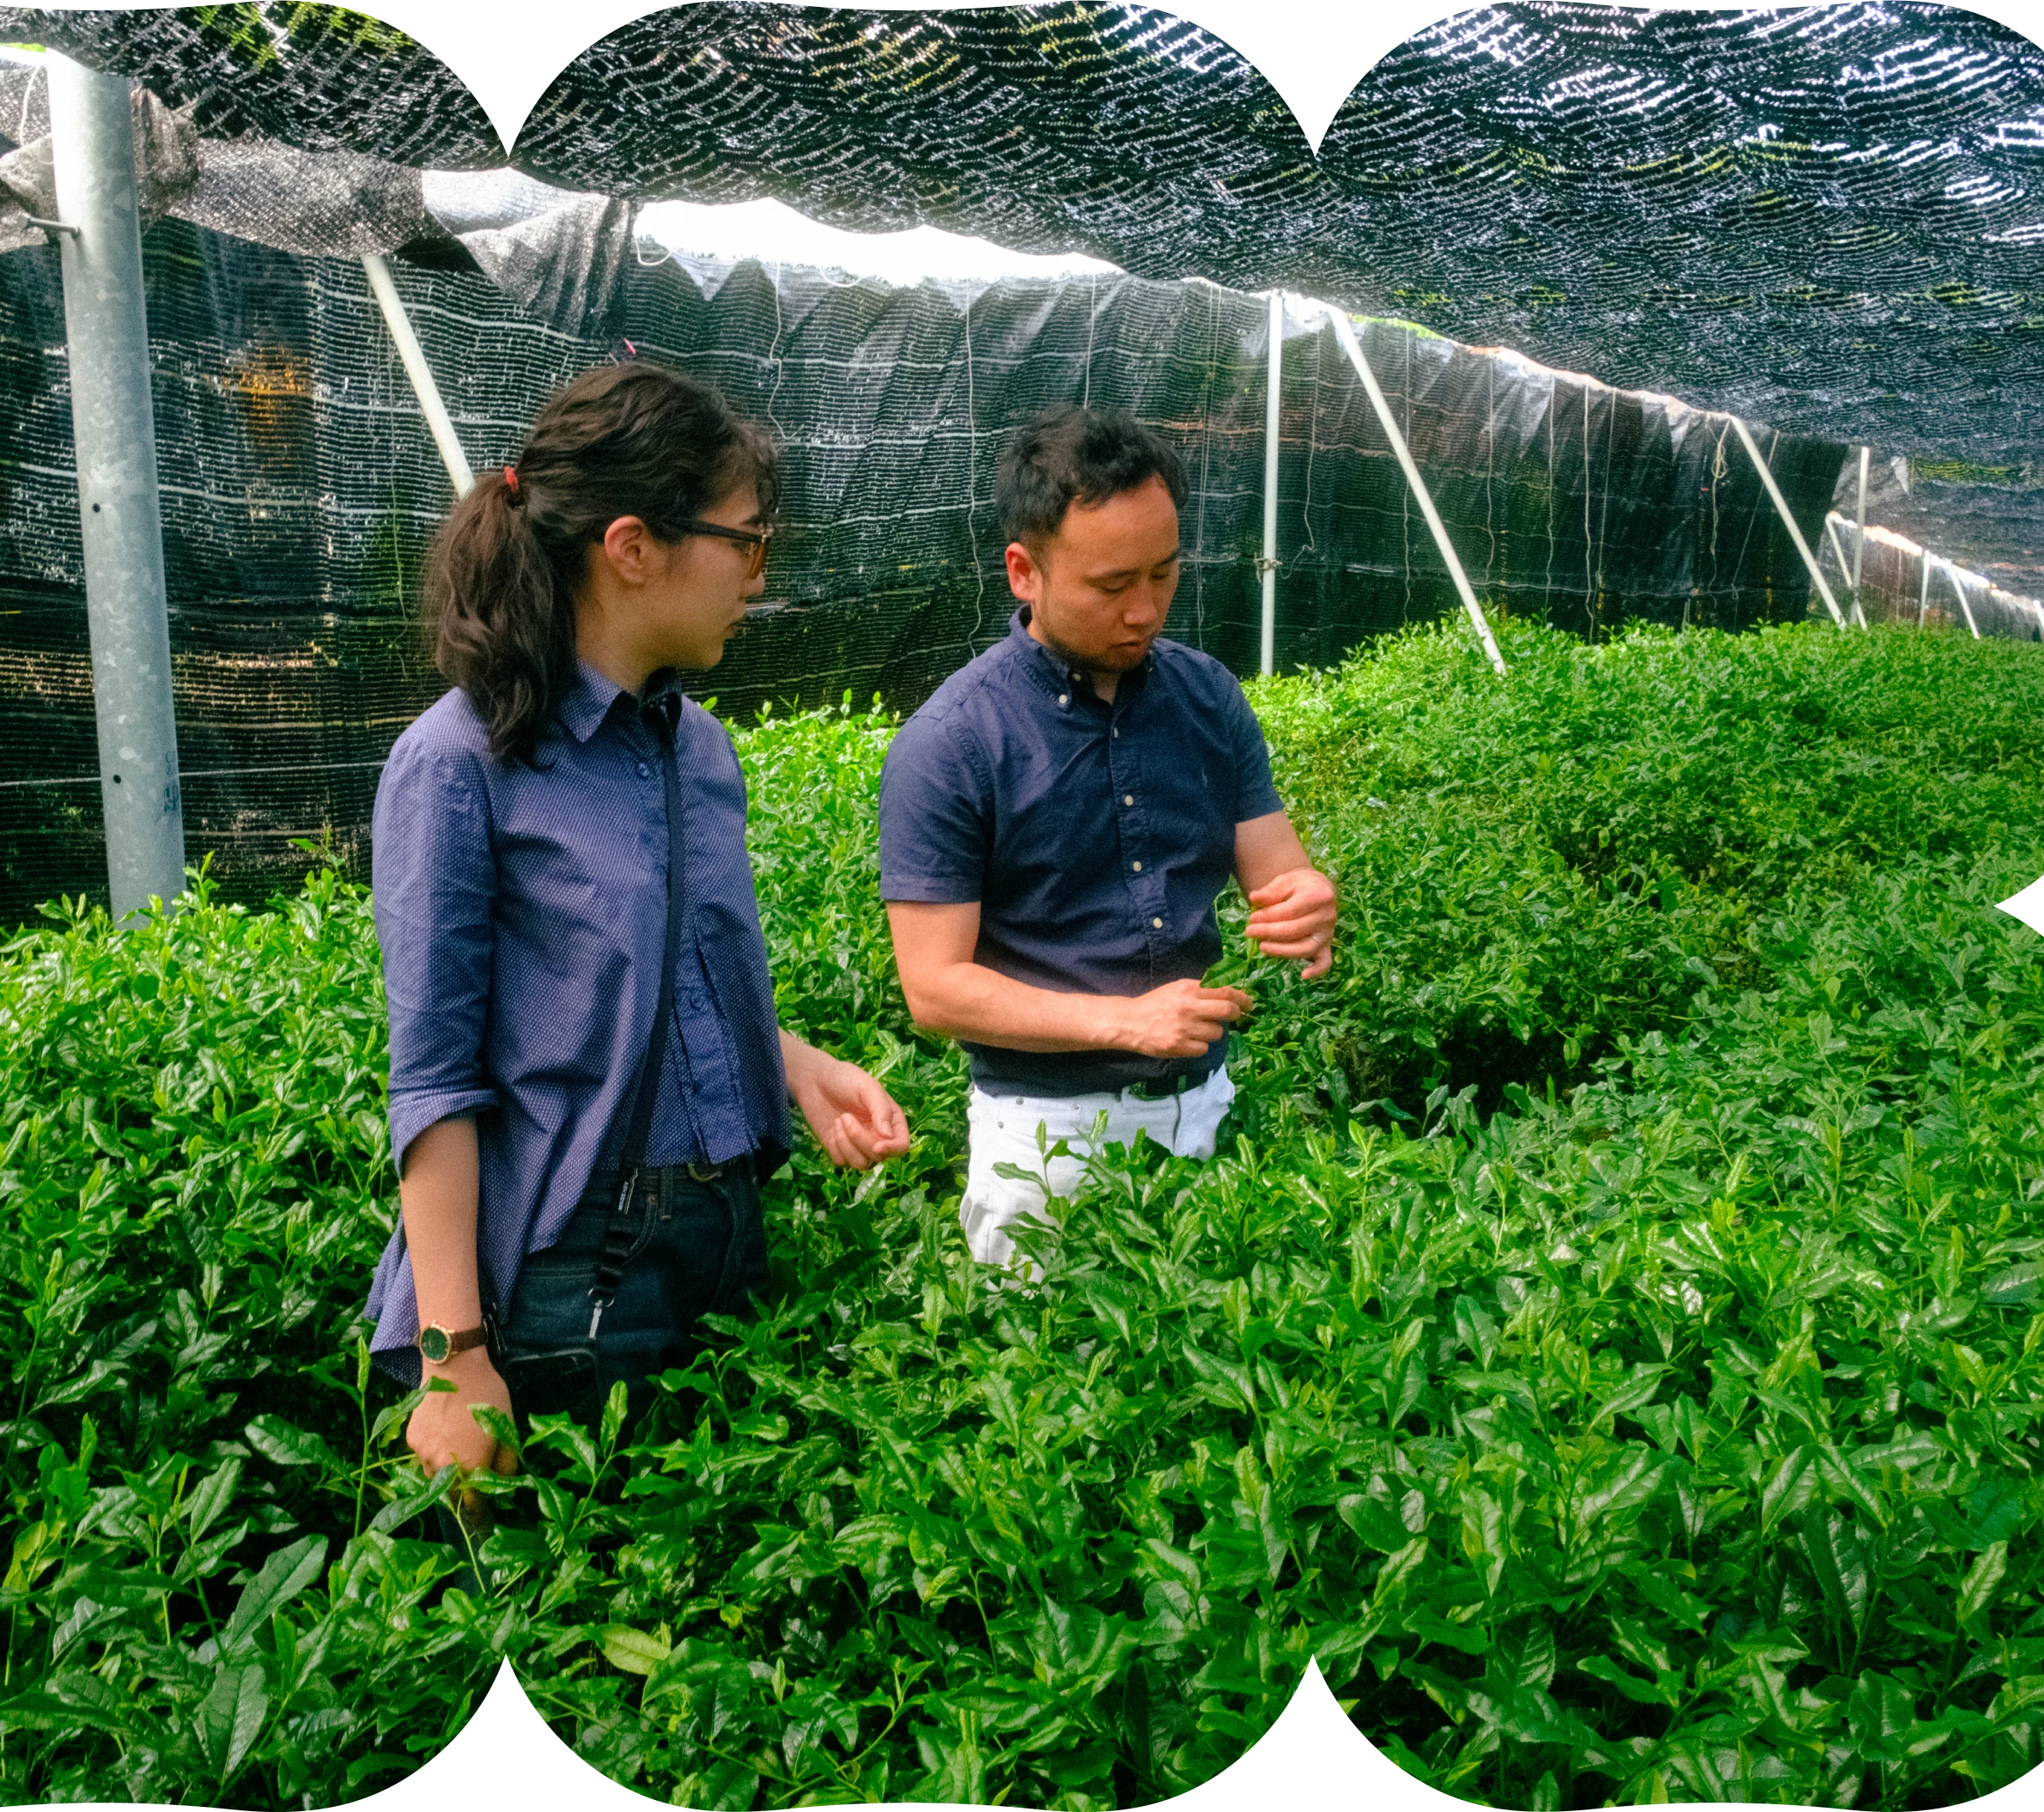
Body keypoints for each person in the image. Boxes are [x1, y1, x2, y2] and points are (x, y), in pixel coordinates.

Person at [364, 362, 911, 1518]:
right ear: (631, 547)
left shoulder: (695, 748)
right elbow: (434, 1086)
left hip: (718, 1243)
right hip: (564, 1277)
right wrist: (455, 1358)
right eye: (746, 544)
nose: (759, 579)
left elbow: (654, 976)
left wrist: (798, 1069)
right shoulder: (458, 764)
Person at [879, 404, 1337, 1273]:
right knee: (1050, 1392)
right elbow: (934, 989)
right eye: (1110, 584)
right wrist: (1126, 1022)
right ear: (1024, 571)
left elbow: (1280, 873)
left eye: (1164, 573)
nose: (1144, 609)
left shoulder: (1207, 697)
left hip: (1204, 1105)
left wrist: (1309, 903)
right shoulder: (952, 743)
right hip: (1041, 1137)